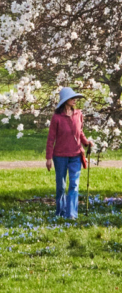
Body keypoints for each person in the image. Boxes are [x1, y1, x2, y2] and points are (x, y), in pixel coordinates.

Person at [45, 87, 94, 219]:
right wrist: (48, 157)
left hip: (76, 155)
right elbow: (51, 138)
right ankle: (60, 212)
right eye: (72, 98)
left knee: (74, 184)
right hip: (60, 156)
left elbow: (79, 133)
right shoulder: (57, 118)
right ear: (65, 101)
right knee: (61, 186)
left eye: (75, 98)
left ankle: (71, 215)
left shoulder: (79, 114)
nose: (74, 100)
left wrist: (86, 142)